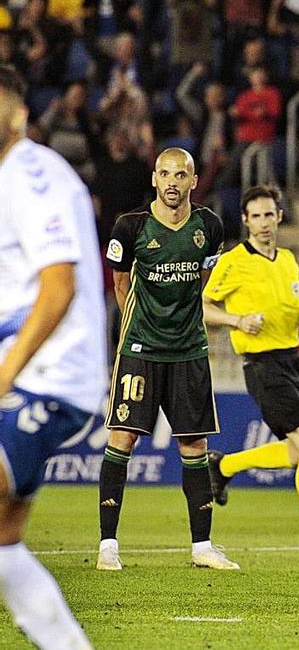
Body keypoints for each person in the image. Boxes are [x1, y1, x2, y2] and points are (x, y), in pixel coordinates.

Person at [99, 148, 238, 571]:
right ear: (155, 180)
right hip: (140, 349)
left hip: (189, 350)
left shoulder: (209, 226)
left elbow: (204, 279)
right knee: (122, 439)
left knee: (194, 445)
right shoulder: (130, 226)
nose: (172, 182)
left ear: (194, 181)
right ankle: (108, 546)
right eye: (165, 174)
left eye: (181, 174)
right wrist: (136, 327)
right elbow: (120, 285)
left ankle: (202, 548)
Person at [0, 65, 98, 648]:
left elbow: (59, 287)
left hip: (48, 376)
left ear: (17, 115)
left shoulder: (30, 173)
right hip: (28, 373)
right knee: (5, 547)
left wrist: (5, 375)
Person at [201, 185, 299, 548]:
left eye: (269, 214)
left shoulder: (287, 260)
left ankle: (222, 467)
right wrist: (236, 320)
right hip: (262, 365)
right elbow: (201, 307)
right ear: (246, 220)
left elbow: (292, 308)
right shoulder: (233, 261)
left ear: (279, 217)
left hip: (292, 360)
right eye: (256, 216)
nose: (263, 222)